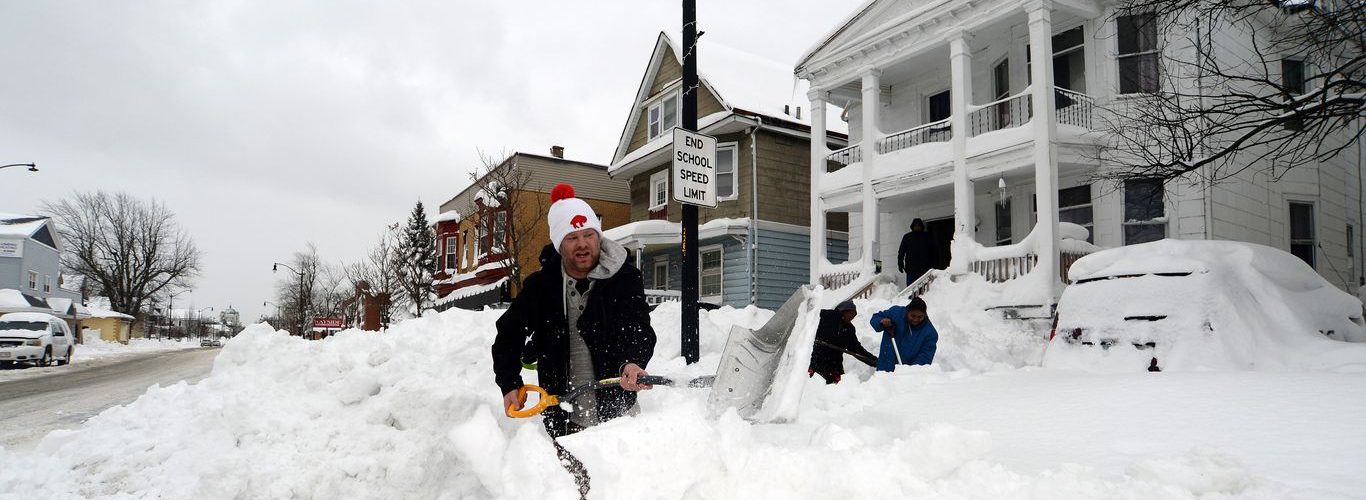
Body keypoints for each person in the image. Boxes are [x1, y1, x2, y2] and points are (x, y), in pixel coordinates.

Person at [491, 183, 657, 437]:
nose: (582, 244)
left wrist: (632, 361)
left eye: (589, 235)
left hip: (619, 417)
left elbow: (638, 327)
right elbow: (508, 333)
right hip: (564, 415)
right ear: (559, 244)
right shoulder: (541, 287)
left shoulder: (624, 277)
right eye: (572, 237)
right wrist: (509, 382)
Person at [808, 300, 877, 384]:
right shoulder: (825, 316)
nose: (852, 317)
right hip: (815, 362)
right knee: (811, 388)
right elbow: (808, 318)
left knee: (838, 392)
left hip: (834, 366)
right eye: (851, 313)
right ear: (843, 310)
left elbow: (856, 349)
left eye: (854, 315)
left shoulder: (849, 329)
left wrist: (875, 362)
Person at [869, 296, 938, 371]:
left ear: (925, 315)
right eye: (913, 316)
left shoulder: (930, 333)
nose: (915, 319)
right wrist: (881, 321)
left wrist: (909, 373)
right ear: (907, 311)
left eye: (920, 317)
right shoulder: (896, 313)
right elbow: (875, 318)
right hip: (884, 367)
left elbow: (924, 358)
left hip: (904, 375)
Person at [897, 218, 939, 286]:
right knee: (911, 289)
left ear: (922, 226)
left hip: (925, 268)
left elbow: (934, 251)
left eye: (919, 225)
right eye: (915, 225)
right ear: (912, 226)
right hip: (911, 269)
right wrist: (900, 263)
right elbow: (901, 252)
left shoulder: (927, 236)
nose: (917, 227)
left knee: (925, 289)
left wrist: (935, 265)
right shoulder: (907, 237)